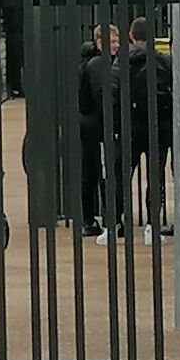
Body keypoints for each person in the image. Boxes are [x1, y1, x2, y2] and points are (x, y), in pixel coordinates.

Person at [120, 18, 174, 240]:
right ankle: (153, 224)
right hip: (159, 124)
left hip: (131, 124)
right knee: (156, 175)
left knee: (122, 175)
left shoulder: (123, 61)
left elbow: (115, 90)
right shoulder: (164, 61)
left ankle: (119, 221)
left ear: (131, 36)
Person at [76, 26, 119, 238]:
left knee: (90, 172)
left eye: (117, 41)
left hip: (88, 123)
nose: (116, 45)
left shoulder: (89, 62)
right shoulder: (99, 64)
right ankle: (108, 220)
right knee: (102, 172)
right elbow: (103, 96)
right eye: (112, 42)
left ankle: (89, 219)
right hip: (98, 125)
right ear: (100, 43)